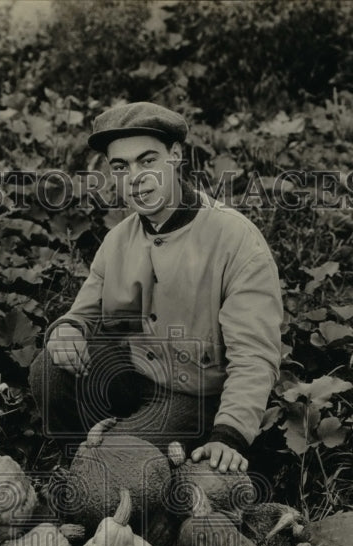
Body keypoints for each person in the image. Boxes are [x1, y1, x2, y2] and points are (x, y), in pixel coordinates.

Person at [29, 102, 283, 474]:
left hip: (193, 398)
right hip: (132, 382)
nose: (135, 177)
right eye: (121, 167)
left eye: (147, 160)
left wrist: (229, 434)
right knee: (49, 367)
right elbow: (83, 316)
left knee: (119, 468)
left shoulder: (234, 238)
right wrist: (67, 330)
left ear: (175, 156)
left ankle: (118, 466)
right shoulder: (120, 239)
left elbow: (255, 355)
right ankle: (84, 459)